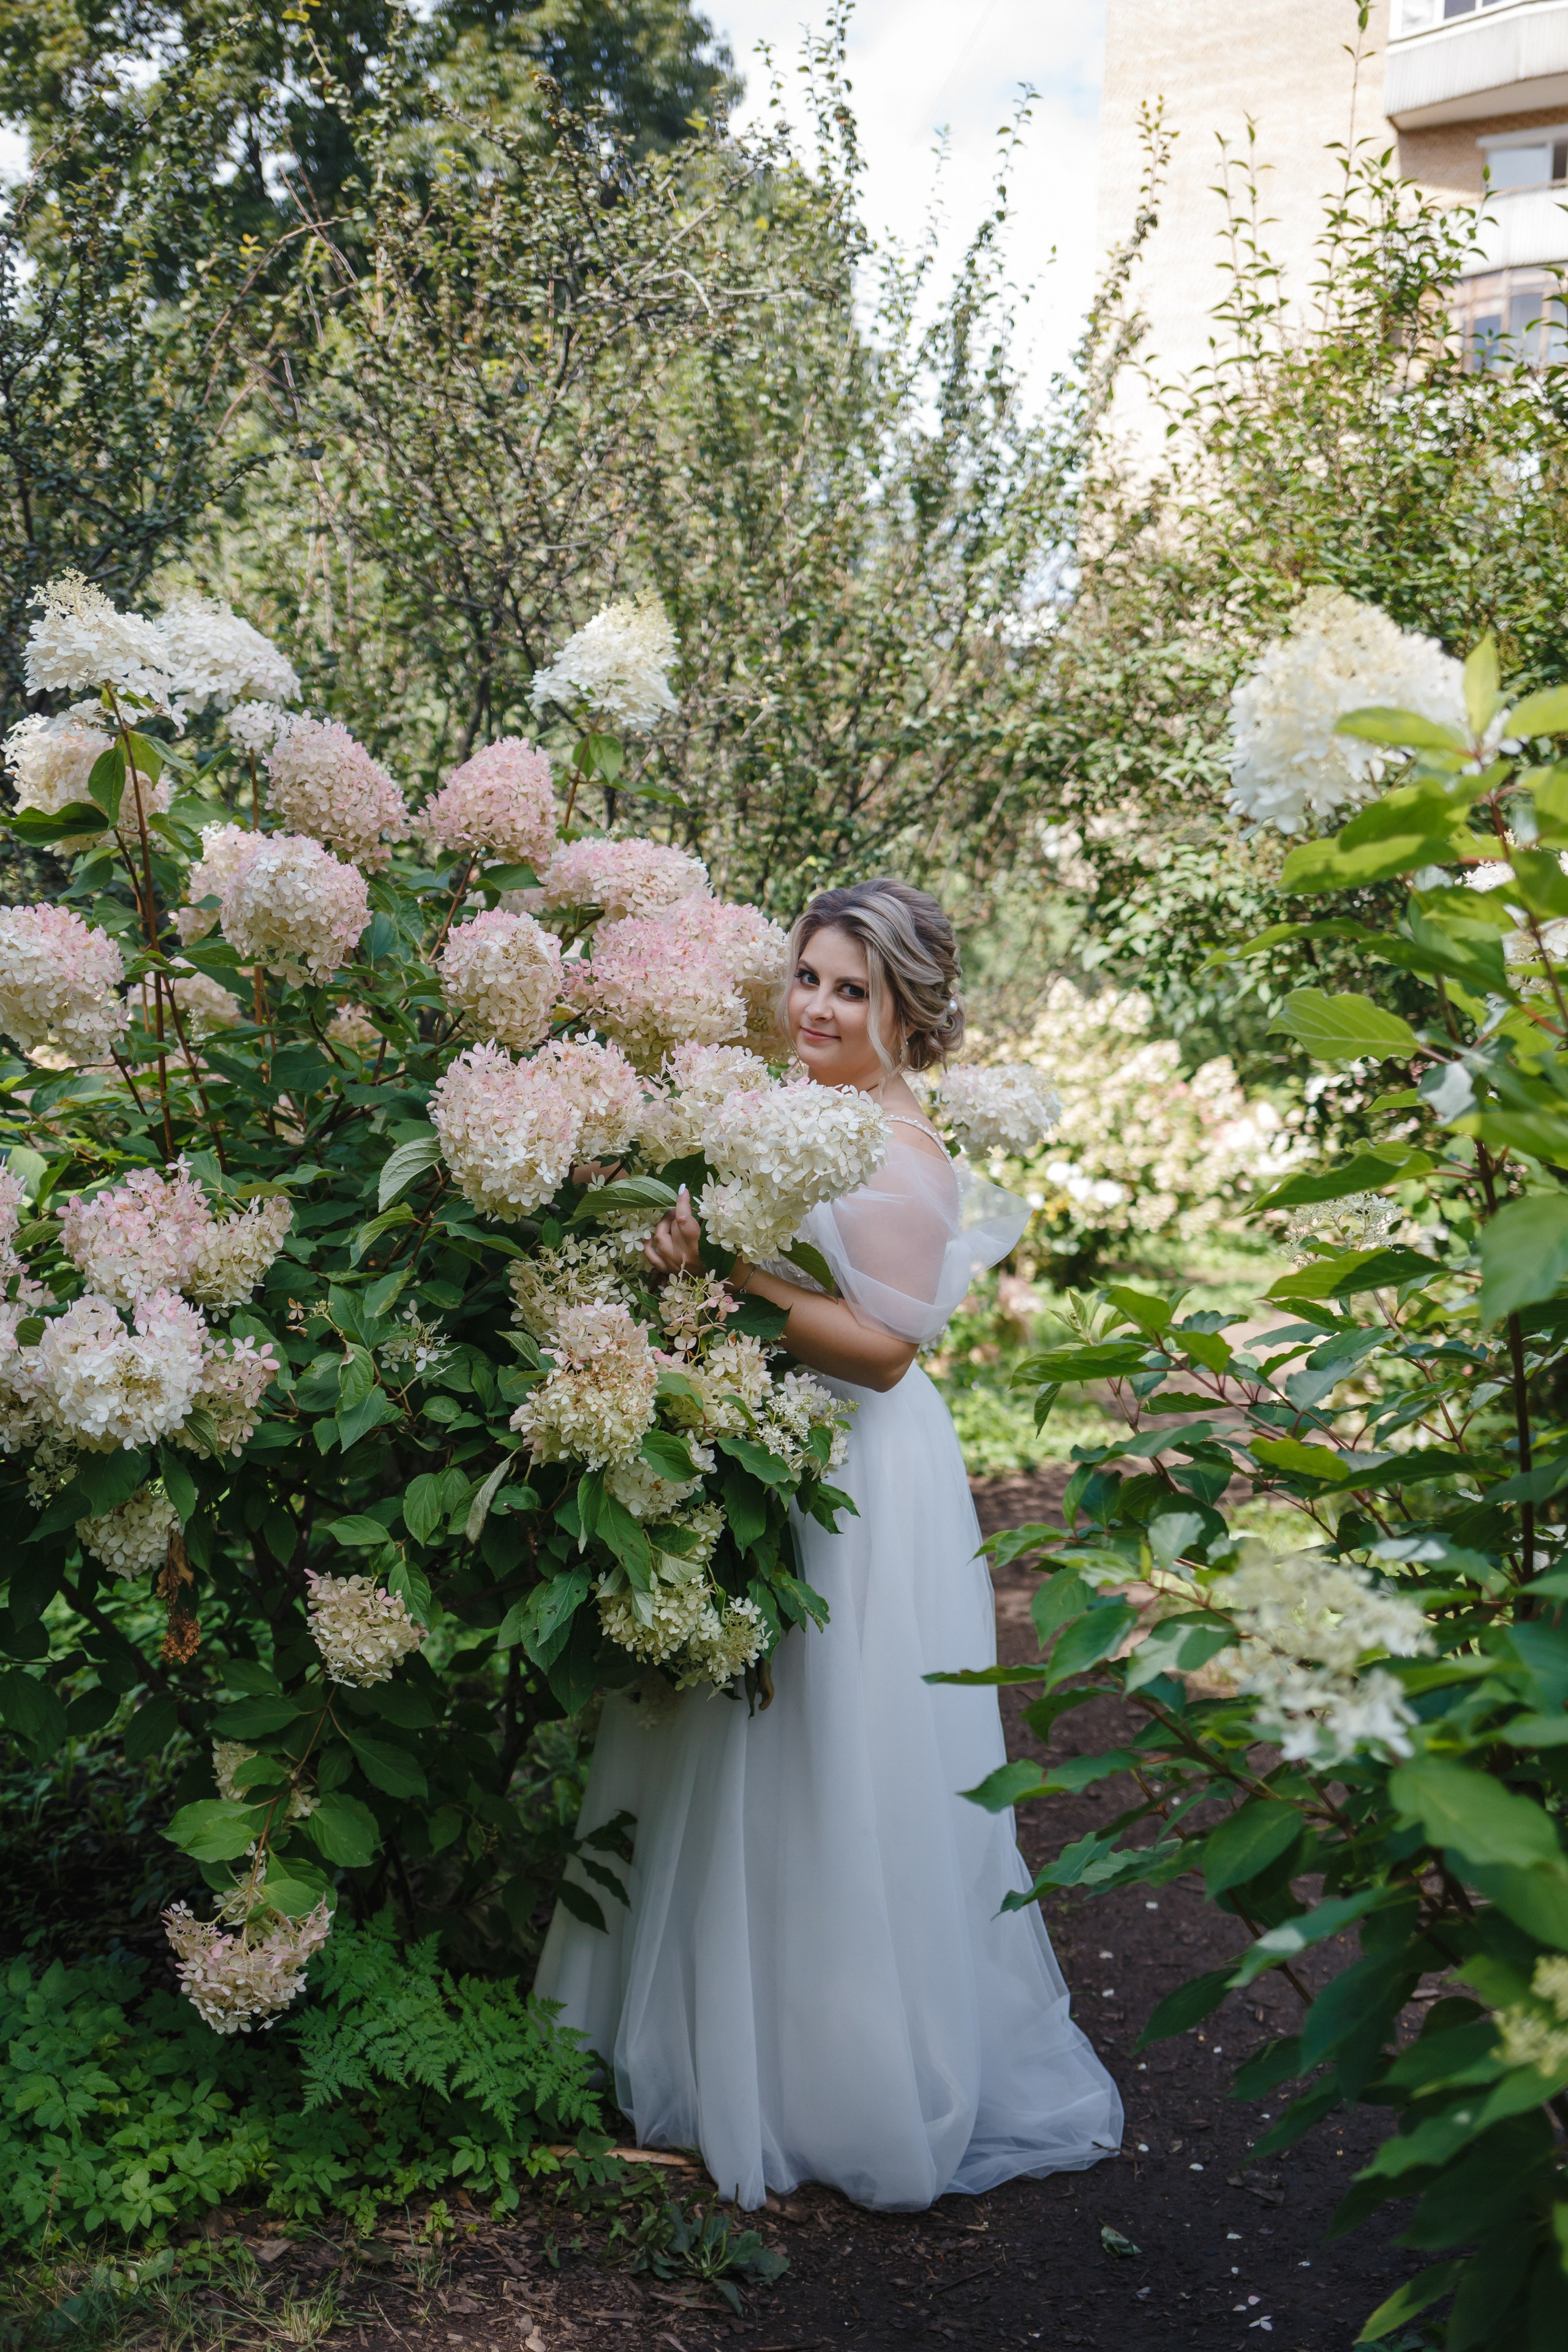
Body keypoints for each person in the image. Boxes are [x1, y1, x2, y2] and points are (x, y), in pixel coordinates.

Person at [532, 878, 1123, 2211]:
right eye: (806, 975)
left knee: (828, 1756)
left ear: (904, 1009)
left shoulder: (900, 1152)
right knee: (727, 1746)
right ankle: (707, 2040)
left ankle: (832, 2071)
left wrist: (727, 1281)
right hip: (762, 1446)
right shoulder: (797, 1109)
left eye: (850, 989)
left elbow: (885, 1353)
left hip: (855, 1476)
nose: (815, 1005)